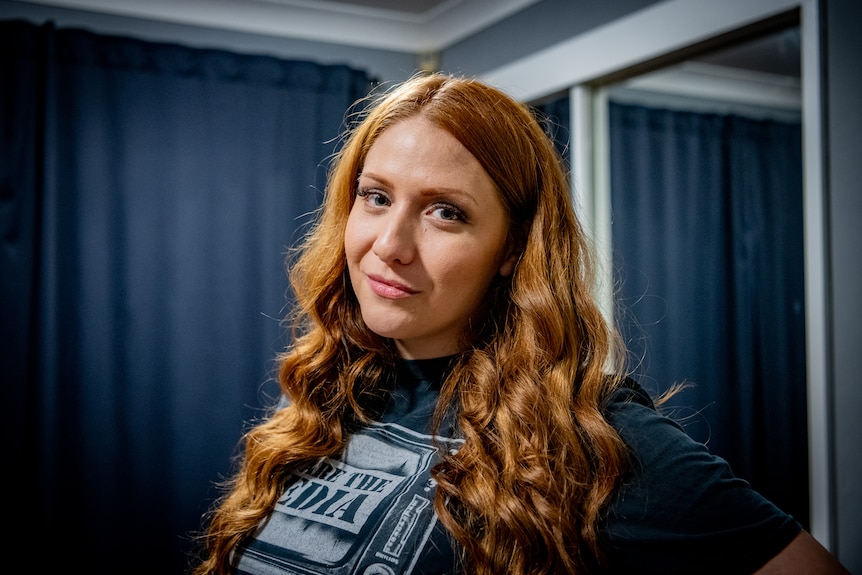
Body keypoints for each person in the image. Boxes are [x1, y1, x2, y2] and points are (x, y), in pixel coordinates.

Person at [192, 72, 848, 575]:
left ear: (511, 249)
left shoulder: (589, 433)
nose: (390, 243)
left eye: (445, 212)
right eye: (378, 196)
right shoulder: (323, 390)